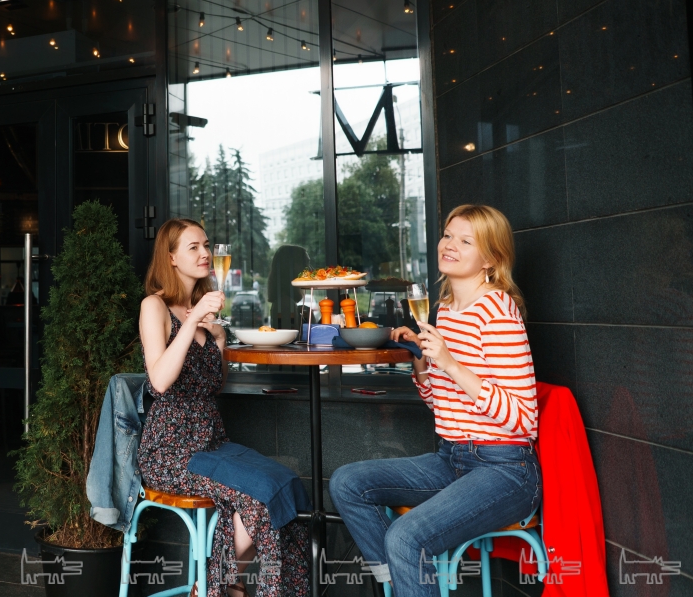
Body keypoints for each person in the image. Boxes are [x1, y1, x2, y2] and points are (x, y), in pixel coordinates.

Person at [329, 204, 540, 596]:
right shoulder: (445, 310)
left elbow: (524, 419)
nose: (449, 245)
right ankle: (399, 584)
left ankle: (405, 579)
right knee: (347, 483)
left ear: (490, 259)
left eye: (465, 241)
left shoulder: (498, 312)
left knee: (406, 537)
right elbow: (440, 403)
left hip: (506, 470)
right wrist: (423, 361)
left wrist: (451, 363)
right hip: (451, 458)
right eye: (447, 235)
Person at [138, 218, 309, 597]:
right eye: (194, 247)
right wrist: (193, 321)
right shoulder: (155, 306)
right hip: (172, 452)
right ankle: (221, 585)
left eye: (206, 245)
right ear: (171, 257)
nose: (205, 253)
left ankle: (216, 584)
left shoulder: (204, 314)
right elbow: (160, 381)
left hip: (213, 442)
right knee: (259, 495)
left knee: (286, 484)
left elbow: (213, 385)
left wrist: (217, 340)